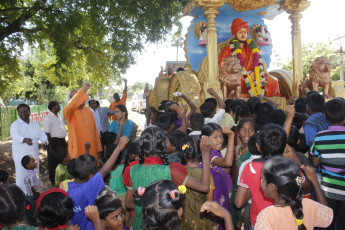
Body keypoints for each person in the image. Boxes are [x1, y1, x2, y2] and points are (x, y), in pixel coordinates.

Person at [123, 127, 211, 230]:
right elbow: (204, 187)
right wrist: (205, 154)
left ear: (142, 146)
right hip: (168, 225)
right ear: (163, 146)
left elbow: (128, 203)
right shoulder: (172, 171)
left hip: (141, 224)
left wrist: (149, 208)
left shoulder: (133, 170)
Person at [66, 136, 128, 230]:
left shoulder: (69, 190)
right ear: (91, 176)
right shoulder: (87, 189)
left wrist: (86, 149)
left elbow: (83, 168)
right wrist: (119, 147)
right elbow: (105, 171)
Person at [255, 156, 333, 229]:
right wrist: (315, 181)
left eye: (262, 179)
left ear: (271, 187)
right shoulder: (309, 205)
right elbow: (327, 216)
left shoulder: (267, 216)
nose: (260, 182)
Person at [234, 124, 288, 227]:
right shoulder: (290, 166)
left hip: (259, 222)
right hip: (284, 222)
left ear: (258, 146)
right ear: (285, 146)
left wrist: (253, 185)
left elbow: (238, 203)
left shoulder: (250, 167)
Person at [218, 18, 280, 98]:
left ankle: (252, 96)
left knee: (273, 81)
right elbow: (222, 67)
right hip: (237, 77)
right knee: (238, 83)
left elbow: (257, 64)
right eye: (240, 32)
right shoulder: (228, 49)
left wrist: (253, 72)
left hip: (253, 76)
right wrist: (239, 74)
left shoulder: (252, 48)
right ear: (234, 34)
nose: (243, 34)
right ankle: (248, 95)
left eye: (245, 32)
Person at [309, 98, 345, 229]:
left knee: (327, 223)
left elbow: (315, 161)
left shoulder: (320, 137)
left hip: (329, 189)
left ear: (325, 115)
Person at [200, 123, 234, 230]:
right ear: (205, 139)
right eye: (215, 137)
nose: (219, 140)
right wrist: (232, 137)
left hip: (221, 196)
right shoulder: (211, 154)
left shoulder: (216, 153)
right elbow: (228, 163)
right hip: (214, 198)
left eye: (221, 136)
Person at [10, 104, 48, 193]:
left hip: (33, 157)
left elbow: (42, 134)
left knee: (35, 178)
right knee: (22, 180)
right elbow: (15, 136)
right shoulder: (15, 125)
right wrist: (24, 139)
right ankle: (23, 198)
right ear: (18, 114)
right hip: (21, 158)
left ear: (29, 112)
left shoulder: (35, 124)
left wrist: (44, 141)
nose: (23, 113)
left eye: (25, 111)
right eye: (20, 112)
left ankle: (35, 197)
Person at [180, 136, 214, 230]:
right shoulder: (206, 175)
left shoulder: (178, 172)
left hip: (182, 222)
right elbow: (210, 203)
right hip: (201, 223)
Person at [63, 82, 102, 161]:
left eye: (81, 96)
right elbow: (71, 105)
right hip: (77, 152)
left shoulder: (88, 111)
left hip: (92, 150)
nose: (81, 98)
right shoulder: (69, 113)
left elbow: (94, 130)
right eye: (78, 97)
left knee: (92, 171)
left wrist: (98, 149)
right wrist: (83, 89)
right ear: (73, 100)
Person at [42, 100, 67, 186]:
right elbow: (47, 133)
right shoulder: (48, 118)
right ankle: (53, 181)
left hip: (61, 142)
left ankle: (61, 180)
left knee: (62, 160)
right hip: (54, 142)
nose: (59, 106)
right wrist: (50, 147)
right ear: (53, 107)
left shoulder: (58, 116)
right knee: (53, 162)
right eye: (58, 105)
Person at [21, 155, 44, 226]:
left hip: (33, 194)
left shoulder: (32, 172)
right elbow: (32, 187)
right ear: (27, 165)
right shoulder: (31, 175)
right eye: (33, 161)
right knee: (33, 210)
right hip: (33, 196)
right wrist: (36, 197)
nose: (36, 162)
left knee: (33, 209)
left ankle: (33, 222)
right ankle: (32, 224)